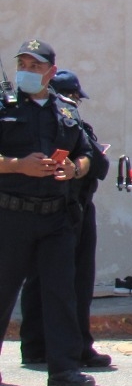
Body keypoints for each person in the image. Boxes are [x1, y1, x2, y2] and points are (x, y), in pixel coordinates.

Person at [0, 39, 98, 386]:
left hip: (55, 218)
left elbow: (88, 155)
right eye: (22, 64)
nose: (26, 70)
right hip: (11, 216)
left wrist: (75, 169)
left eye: (35, 65)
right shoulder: (4, 106)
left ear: (51, 72)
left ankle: (63, 369)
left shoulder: (67, 111)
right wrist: (17, 166)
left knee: (61, 294)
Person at [19, 69, 113, 370]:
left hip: (41, 211)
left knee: (39, 281)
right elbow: (98, 163)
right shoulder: (67, 121)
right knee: (73, 283)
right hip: (71, 210)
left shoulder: (31, 120)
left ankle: (35, 346)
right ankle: (77, 349)